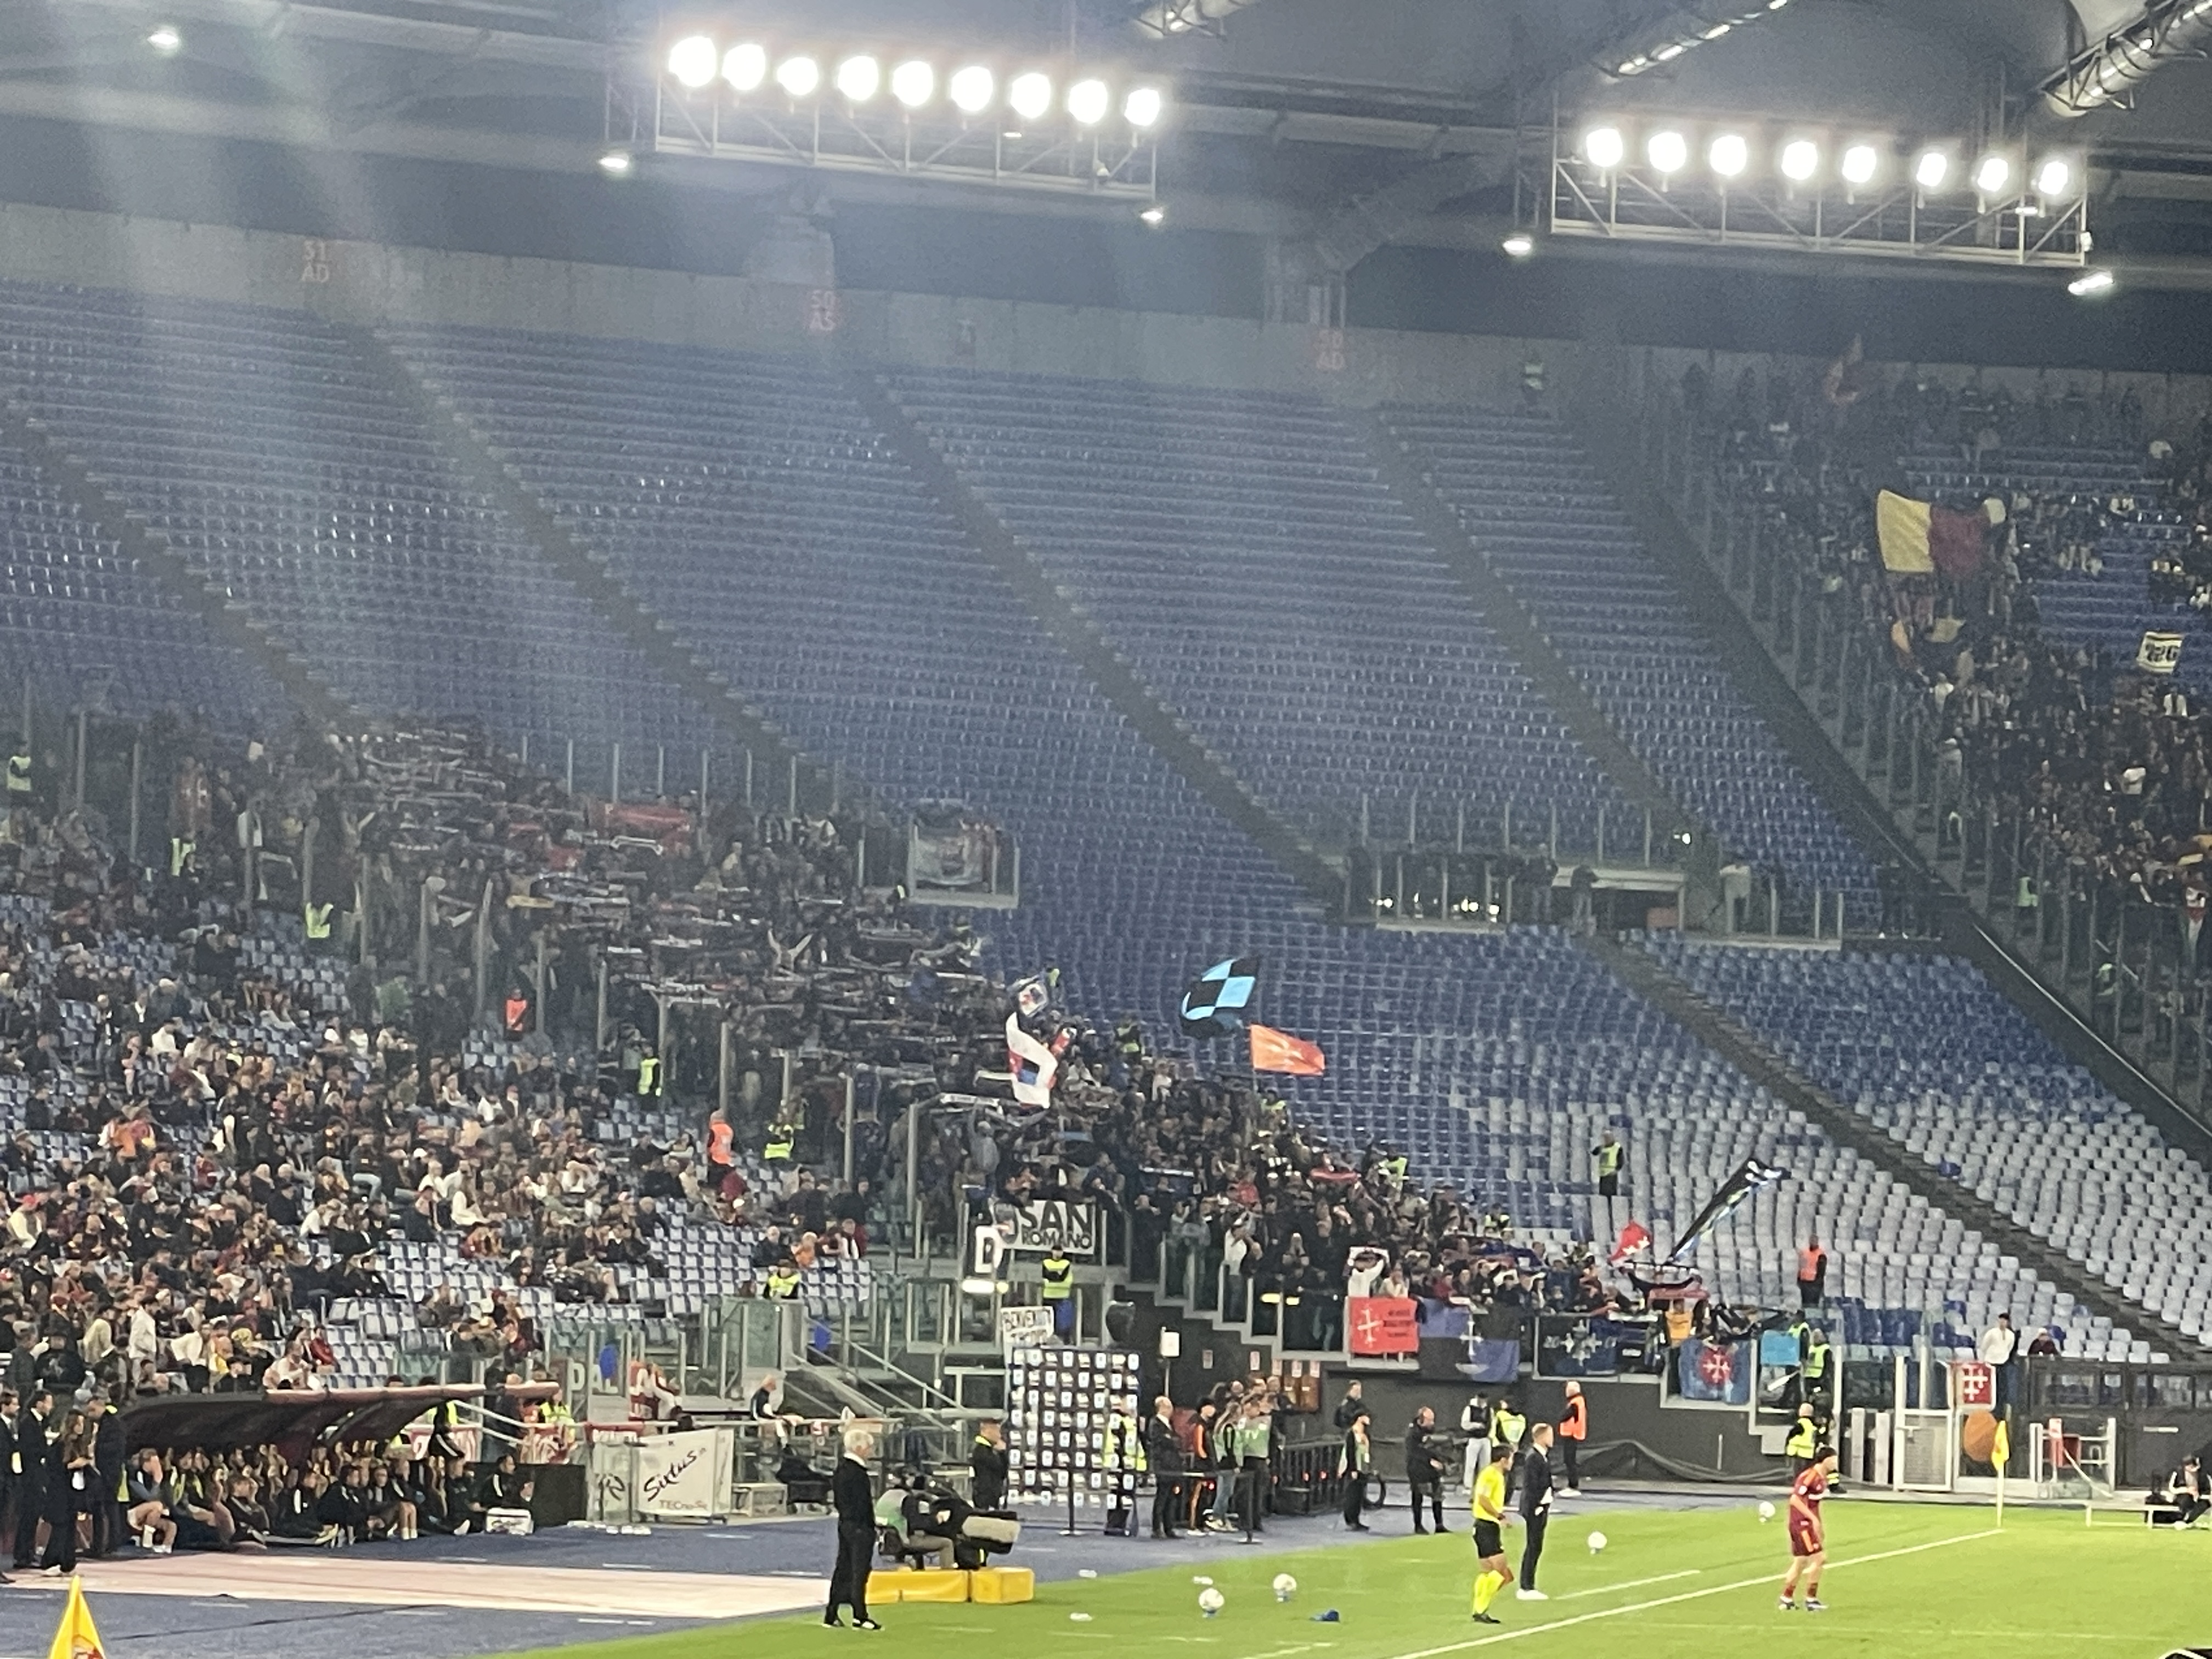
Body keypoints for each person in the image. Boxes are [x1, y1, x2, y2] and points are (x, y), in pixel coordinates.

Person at [826, 1428, 880, 1630]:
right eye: (868, 1447)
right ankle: (860, 1615)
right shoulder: (857, 1473)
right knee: (859, 1571)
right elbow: (863, 1504)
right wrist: (869, 1526)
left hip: (846, 1524)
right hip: (859, 1526)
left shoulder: (841, 1469)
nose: (870, 1451)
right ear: (858, 1448)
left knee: (843, 1569)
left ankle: (832, 1613)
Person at [1780, 1447, 1837, 1612]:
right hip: (1801, 1524)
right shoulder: (1810, 1476)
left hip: (1806, 1524)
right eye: (1833, 1460)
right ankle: (1811, 1599)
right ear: (1825, 1460)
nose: (1835, 1463)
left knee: (1801, 1561)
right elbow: (1795, 1499)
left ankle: (1786, 1598)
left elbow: (1814, 1505)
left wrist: (1819, 1525)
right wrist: (1813, 1520)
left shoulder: (1822, 1479)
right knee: (1820, 1558)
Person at [1469, 1444, 1517, 1624]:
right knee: (1504, 1574)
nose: (1512, 1462)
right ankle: (1481, 1608)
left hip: (1482, 1527)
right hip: (1487, 1527)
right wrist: (1500, 1516)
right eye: (1511, 1459)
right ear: (1503, 1460)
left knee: (1487, 1573)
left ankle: (1479, 1609)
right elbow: (1483, 1499)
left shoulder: (1491, 1474)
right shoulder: (1491, 1475)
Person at [1515, 1422, 1554, 1601]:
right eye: (1550, 1435)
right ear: (1541, 1437)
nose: (1552, 1439)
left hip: (1541, 1507)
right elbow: (1531, 1485)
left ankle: (1528, 1585)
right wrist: (1537, 1506)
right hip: (1534, 1508)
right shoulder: (1533, 1458)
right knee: (1533, 1546)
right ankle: (1526, 1586)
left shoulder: (1542, 1456)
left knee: (1536, 1546)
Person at [1146, 1397, 1184, 1539]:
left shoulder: (1169, 1424)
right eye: (1168, 1407)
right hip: (1163, 1465)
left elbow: (1175, 1441)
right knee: (1162, 1497)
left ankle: (1169, 1527)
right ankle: (1157, 1528)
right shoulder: (1155, 1423)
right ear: (1161, 1408)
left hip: (1173, 1465)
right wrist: (1171, 1440)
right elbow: (1161, 1441)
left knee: (1171, 1498)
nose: (1171, 1410)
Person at [1404, 1405, 1447, 1534]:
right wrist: (1430, 1460)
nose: (1432, 1423)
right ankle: (1418, 1526)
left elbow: (1432, 1448)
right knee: (1418, 1497)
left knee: (1437, 1495)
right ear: (1421, 1420)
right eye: (1430, 1420)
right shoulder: (1412, 1433)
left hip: (1431, 1470)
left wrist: (1440, 1461)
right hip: (1416, 1469)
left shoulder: (1430, 1432)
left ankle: (1439, 1525)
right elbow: (1413, 1451)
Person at [1340, 1409, 1372, 1532]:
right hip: (1354, 1470)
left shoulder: (1365, 1434)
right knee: (1352, 1496)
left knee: (1359, 1496)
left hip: (1363, 1469)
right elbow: (1350, 1452)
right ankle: (1350, 1520)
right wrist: (1352, 1469)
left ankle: (1356, 1520)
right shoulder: (1352, 1434)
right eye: (1365, 1417)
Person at [1979, 1313, 2018, 1409]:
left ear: (2008, 1322)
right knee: (1991, 1386)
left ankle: (2000, 1407)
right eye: (2001, 1320)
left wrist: (2003, 1357)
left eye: (2004, 1321)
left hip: (2003, 1363)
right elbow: (1984, 1346)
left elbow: (2009, 1348)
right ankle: (1991, 1406)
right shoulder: (1992, 1333)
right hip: (1991, 1363)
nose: (2002, 1323)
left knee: (2002, 1386)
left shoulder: (2011, 1335)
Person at [969, 1420, 1008, 1512]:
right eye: (997, 1431)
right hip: (985, 1495)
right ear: (986, 1432)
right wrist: (1002, 1452)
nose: (999, 1436)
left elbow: (1003, 1471)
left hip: (992, 1494)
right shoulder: (981, 1450)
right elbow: (999, 1468)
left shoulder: (989, 1450)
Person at [1556, 1381, 1586, 1497]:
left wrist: (1561, 1417)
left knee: (1570, 1461)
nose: (1566, 1391)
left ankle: (1573, 1486)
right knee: (1570, 1461)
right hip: (1572, 1434)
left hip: (1572, 1434)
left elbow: (1565, 1416)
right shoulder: (1577, 1401)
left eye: (1568, 1389)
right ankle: (1572, 1485)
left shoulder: (1575, 1402)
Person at [1459, 1393, 1492, 1497]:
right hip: (1473, 1439)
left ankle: (1483, 1485)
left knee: (1486, 1464)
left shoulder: (1489, 1410)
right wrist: (1477, 1426)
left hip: (1486, 1439)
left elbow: (1492, 1423)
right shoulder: (1470, 1409)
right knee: (1470, 1464)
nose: (1483, 1402)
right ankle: (1468, 1487)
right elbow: (1464, 1424)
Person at [1796, 1237, 1828, 1309]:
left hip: (1814, 1283)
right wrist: (1799, 1278)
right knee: (1805, 1305)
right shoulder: (1804, 1252)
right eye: (1812, 1241)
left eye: (1814, 1241)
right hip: (1804, 1282)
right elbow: (1800, 1266)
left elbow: (1822, 1270)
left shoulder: (1821, 1254)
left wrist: (1818, 1283)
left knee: (1813, 1305)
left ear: (1817, 1242)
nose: (1813, 1242)